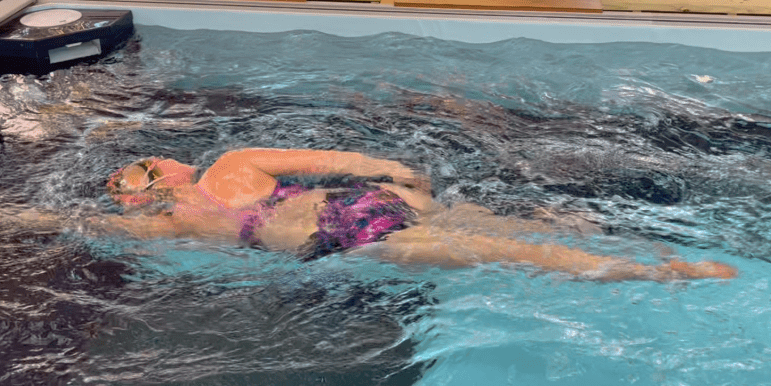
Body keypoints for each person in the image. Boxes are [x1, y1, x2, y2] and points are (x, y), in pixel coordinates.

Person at [96, 148, 736, 282]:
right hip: (369, 204)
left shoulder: (174, 225)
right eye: (151, 160)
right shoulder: (232, 165)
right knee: (513, 231)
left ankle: (665, 273)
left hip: (337, 237)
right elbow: (329, 159)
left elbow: (73, 226)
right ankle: (642, 241)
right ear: (162, 173)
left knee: (519, 256)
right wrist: (395, 172)